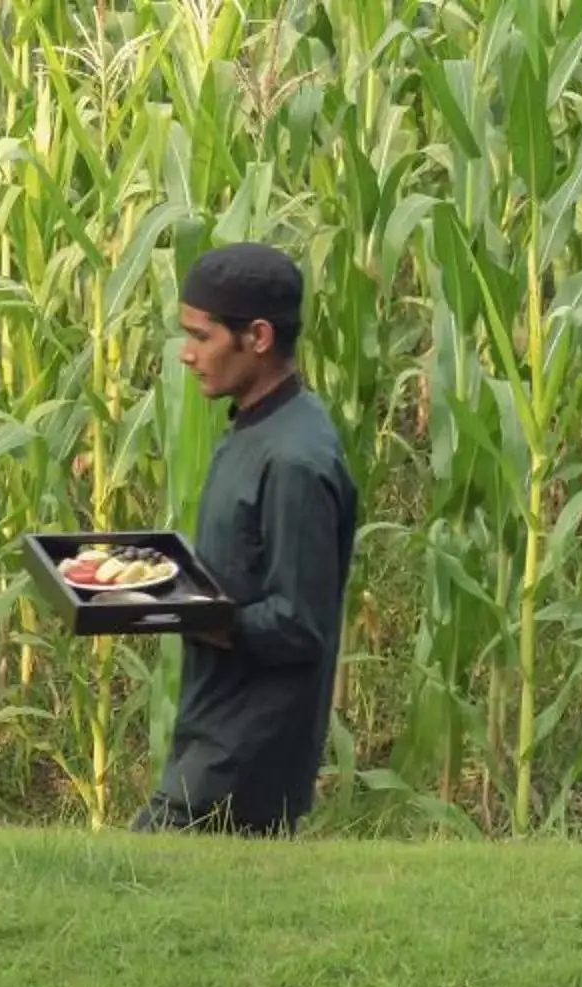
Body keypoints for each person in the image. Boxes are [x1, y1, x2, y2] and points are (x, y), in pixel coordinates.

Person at [133, 242, 361, 835]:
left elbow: (298, 621)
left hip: (244, 762)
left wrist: (200, 615)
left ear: (257, 337)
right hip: (212, 740)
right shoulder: (255, 427)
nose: (187, 354)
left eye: (201, 336)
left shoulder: (294, 460)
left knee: (127, 887)